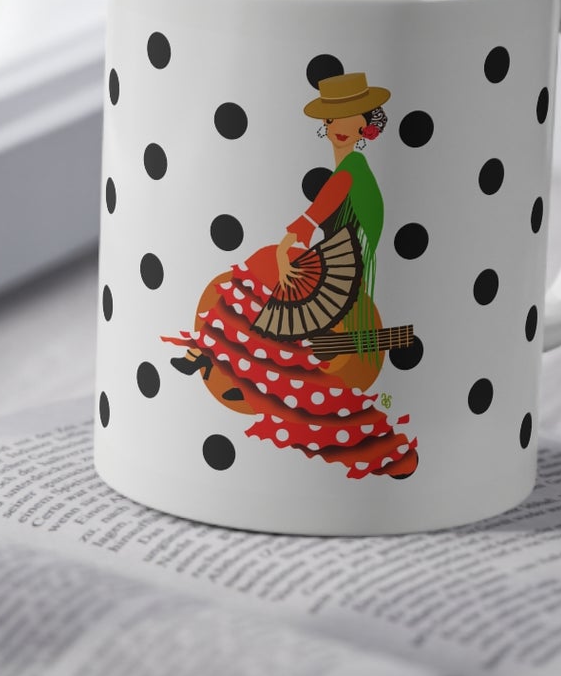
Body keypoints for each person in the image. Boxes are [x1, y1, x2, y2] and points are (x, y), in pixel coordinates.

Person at [163, 71, 418, 480]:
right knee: (268, 273)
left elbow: (314, 216)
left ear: (365, 125)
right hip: (338, 260)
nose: (337, 128)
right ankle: (212, 349)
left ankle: (208, 348)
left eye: (348, 119)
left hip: (340, 266)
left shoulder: (351, 170)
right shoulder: (352, 168)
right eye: (332, 121)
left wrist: (289, 245)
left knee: (265, 263)